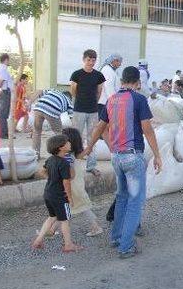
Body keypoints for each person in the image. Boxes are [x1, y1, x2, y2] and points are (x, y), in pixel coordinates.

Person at [85, 66, 162, 259]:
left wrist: (89, 147)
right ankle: (126, 246)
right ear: (137, 83)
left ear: (121, 82)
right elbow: (148, 129)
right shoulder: (139, 99)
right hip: (133, 156)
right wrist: (157, 155)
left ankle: (117, 237)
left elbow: (99, 127)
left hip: (117, 157)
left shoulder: (111, 101)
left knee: (122, 198)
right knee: (135, 202)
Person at [46, 128, 103, 237]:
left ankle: (96, 227)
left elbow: (68, 174)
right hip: (76, 186)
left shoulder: (66, 157)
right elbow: (80, 155)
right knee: (70, 208)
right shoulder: (72, 154)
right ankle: (51, 230)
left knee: (76, 208)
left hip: (71, 186)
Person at [31, 134, 82, 253]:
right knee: (65, 220)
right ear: (61, 147)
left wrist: (52, 178)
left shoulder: (50, 159)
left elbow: (42, 171)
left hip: (48, 193)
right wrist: (69, 198)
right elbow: (67, 182)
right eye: (67, 142)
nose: (69, 143)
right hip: (60, 195)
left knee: (52, 217)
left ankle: (38, 240)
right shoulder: (64, 163)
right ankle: (68, 245)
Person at [70, 49, 105, 176]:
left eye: (93, 60)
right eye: (89, 60)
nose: (91, 62)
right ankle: (72, 164)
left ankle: (91, 166)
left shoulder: (99, 76)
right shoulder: (76, 74)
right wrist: (79, 101)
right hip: (79, 109)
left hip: (93, 111)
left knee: (93, 138)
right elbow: (73, 90)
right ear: (84, 60)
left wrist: (93, 102)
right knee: (76, 137)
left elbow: (99, 91)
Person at [31, 90, 73, 159]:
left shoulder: (54, 91)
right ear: (70, 97)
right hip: (52, 110)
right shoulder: (69, 101)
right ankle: (60, 156)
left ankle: (35, 156)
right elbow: (72, 119)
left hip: (38, 107)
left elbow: (39, 91)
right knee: (59, 134)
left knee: (36, 132)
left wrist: (30, 102)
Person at [0, 53, 12, 140]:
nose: (9, 61)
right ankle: (3, 134)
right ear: (6, 59)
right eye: (8, 60)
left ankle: (0, 132)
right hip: (3, 92)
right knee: (3, 114)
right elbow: (1, 81)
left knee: (0, 114)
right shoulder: (3, 69)